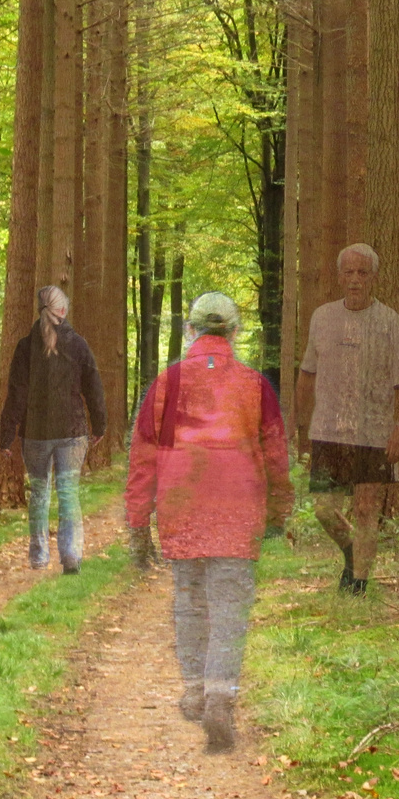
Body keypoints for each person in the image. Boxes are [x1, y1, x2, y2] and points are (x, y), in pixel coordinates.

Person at [126, 293, 292, 753]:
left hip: (183, 503)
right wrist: (279, 509)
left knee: (190, 599)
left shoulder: (168, 382)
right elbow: (276, 453)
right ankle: (221, 693)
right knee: (230, 605)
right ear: (235, 332)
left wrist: (139, 519)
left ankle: (197, 688)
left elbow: (143, 455)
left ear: (192, 332)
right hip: (239, 505)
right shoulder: (254, 385)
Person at [294, 243, 399, 596]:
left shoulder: (389, 321)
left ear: (374, 277)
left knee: (366, 508)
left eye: (363, 273)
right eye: (348, 273)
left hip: (374, 433)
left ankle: (358, 583)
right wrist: (302, 428)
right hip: (329, 430)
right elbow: (306, 375)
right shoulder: (322, 317)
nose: (355, 280)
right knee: (324, 510)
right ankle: (353, 553)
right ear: (338, 276)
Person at [0, 286, 107, 573]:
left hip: (35, 433)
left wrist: (6, 435)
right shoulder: (78, 345)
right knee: (68, 492)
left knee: (38, 493)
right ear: (62, 310)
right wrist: (100, 425)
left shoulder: (25, 346)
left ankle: (38, 557)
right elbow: (93, 388)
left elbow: (16, 394)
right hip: (72, 432)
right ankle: (71, 556)